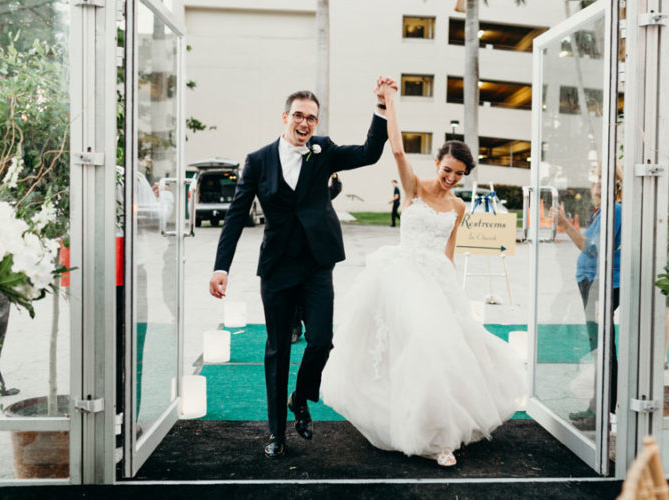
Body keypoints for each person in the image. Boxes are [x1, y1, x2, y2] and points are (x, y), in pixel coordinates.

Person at [320, 82, 526, 467]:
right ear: (437, 163)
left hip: (436, 281)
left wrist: (453, 296)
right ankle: (418, 429)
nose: (451, 178)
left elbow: (449, 251)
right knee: (414, 346)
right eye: (448, 170)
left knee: (445, 349)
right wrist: (389, 102)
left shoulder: (458, 207)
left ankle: (440, 430)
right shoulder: (412, 187)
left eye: (459, 174)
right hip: (400, 276)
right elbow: (396, 148)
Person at [209, 80, 392, 459]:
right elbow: (236, 215)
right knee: (277, 351)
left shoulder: (323, 151)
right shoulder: (257, 160)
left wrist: (380, 106)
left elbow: (371, 153)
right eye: (298, 115)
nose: (305, 123)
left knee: (322, 340)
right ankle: (276, 433)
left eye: (311, 117)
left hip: (316, 264)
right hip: (276, 268)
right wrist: (220, 267)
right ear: (285, 117)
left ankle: (300, 396)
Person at [552, 168, 622, 431]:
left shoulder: (613, 210)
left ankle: (602, 410)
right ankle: (597, 407)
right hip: (594, 282)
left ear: (616, 184)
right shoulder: (604, 211)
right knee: (600, 347)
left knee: (602, 348)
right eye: (595, 176)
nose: (596, 181)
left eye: (603, 177)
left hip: (601, 285)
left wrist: (564, 223)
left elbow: (591, 249)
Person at [291, 172, 342, 344]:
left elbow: (335, 189)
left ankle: (313, 330)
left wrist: (334, 176)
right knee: (296, 293)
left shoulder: (323, 194)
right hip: (298, 251)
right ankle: (295, 327)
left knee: (316, 295)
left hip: (322, 251)